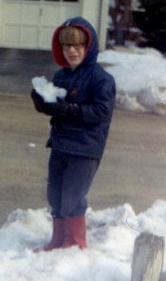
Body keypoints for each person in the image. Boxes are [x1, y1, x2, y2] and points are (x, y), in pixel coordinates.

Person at [31, 17, 116, 251]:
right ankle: (58, 240)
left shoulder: (101, 79)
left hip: (84, 148)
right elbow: (58, 107)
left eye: (77, 45)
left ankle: (76, 243)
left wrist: (70, 109)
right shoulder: (62, 76)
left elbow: (101, 112)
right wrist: (44, 101)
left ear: (88, 47)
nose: (71, 51)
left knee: (73, 197)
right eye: (66, 45)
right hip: (60, 144)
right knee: (56, 195)